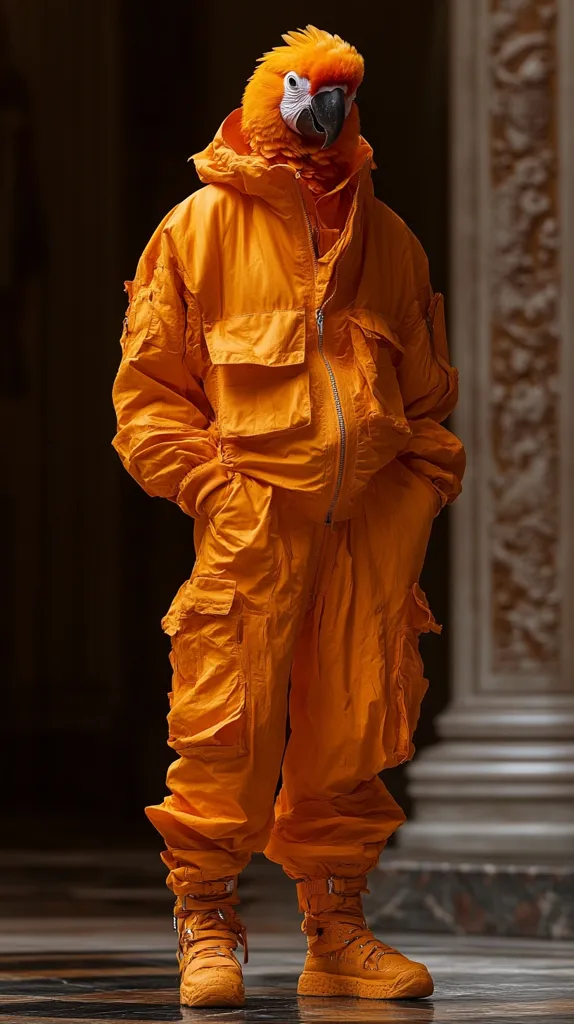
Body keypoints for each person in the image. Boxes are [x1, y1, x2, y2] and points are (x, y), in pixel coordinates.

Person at [112, 25, 465, 1009]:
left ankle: (336, 929)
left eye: (342, 92)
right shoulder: (197, 230)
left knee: (356, 716)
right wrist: (219, 489)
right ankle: (207, 918)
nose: (326, 109)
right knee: (228, 716)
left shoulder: (387, 241)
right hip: (254, 518)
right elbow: (148, 402)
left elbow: (427, 398)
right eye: (309, 88)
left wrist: (419, 484)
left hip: (366, 531)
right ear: (272, 95)